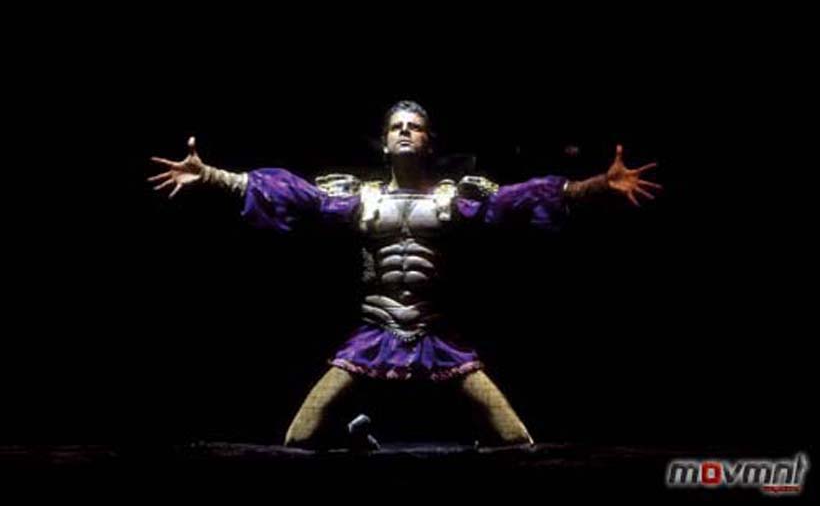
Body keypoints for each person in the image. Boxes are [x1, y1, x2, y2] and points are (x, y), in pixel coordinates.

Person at [148, 100, 661, 448]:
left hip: (437, 334)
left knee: (515, 439)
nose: (405, 132)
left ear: (429, 141)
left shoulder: (454, 199)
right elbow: (290, 194)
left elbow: (525, 199)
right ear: (384, 142)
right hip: (374, 331)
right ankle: (355, 436)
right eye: (396, 127)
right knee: (299, 438)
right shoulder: (361, 198)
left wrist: (599, 185)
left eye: (414, 126)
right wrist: (210, 175)